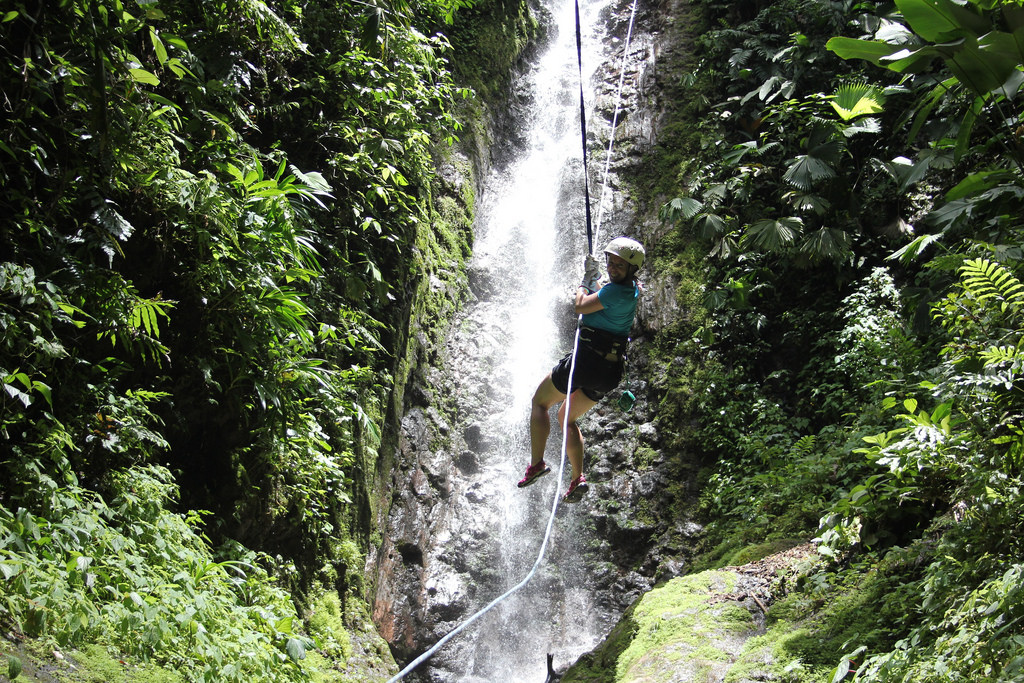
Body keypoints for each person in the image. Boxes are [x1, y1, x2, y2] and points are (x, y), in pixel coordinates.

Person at [517, 236, 644, 502]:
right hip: (609, 372)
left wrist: (584, 283)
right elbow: (604, 295)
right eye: (612, 262)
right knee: (567, 418)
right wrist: (596, 277)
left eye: (619, 266)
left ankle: (537, 463)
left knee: (540, 403)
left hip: (586, 362)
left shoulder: (614, 291)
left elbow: (580, 305)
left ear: (632, 269)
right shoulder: (632, 289)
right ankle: (578, 478)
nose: (613, 268)